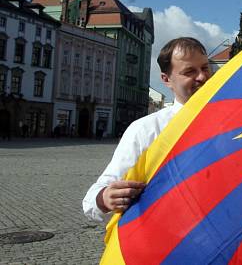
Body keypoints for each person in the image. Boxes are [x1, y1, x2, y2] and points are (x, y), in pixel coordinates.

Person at [82, 37, 211, 221]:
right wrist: (104, 198)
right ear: (166, 79)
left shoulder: (233, 120)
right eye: (190, 71)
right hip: (170, 238)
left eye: (205, 68)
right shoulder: (146, 129)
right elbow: (93, 199)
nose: (202, 77)